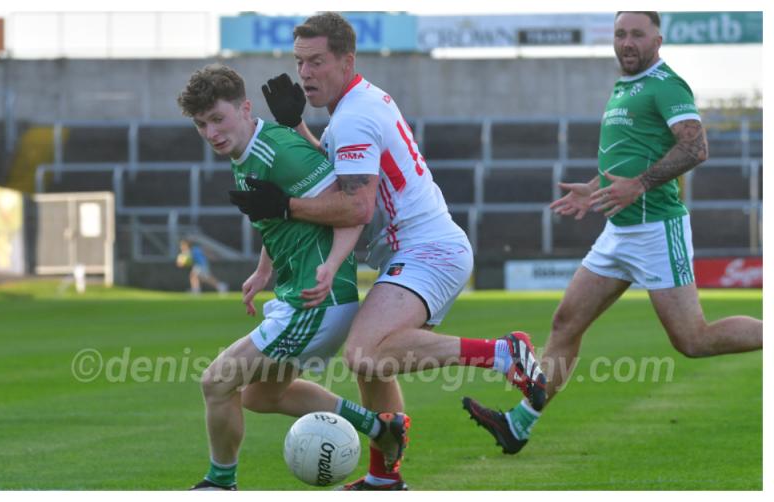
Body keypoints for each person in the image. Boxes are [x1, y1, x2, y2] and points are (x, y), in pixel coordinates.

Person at [229, 12, 546, 490]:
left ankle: (504, 354)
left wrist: (286, 206)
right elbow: (341, 175)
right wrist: (298, 128)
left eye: (317, 61)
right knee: (373, 362)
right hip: (422, 249)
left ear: (347, 60)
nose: (305, 73)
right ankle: (385, 478)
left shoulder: (354, 117)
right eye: (299, 62)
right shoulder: (358, 105)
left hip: (426, 249)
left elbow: (356, 205)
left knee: (365, 352)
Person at [463, 11, 763, 455]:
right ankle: (518, 425)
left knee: (692, 340)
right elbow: (631, 156)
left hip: (657, 229)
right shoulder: (624, 86)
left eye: (637, 34)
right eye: (620, 34)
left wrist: (638, 185)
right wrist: (595, 187)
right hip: (619, 230)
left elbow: (696, 147)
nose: (627, 42)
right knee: (566, 322)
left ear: (657, 40)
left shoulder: (667, 85)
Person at [177, 63, 410, 490]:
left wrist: (332, 265)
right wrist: (263, 269)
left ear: (245, 108)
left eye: (217, 119)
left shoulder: (278, 152)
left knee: (217, 381)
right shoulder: (247, 153)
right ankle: (380, 426)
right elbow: (283, 215)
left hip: (316, 301)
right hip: (300, 296)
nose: (211, 133)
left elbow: (351, 208)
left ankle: (220, 483)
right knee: (260, 395)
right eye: (201, 124)